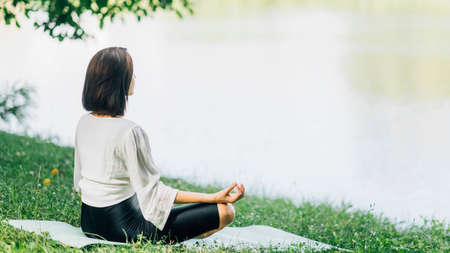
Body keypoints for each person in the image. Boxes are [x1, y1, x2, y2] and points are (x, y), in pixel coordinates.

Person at [74, 46, 245, 244]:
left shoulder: (83, 122)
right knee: (225, 211)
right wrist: (214, 197)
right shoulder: (130, 132)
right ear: (117, 82)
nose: (135, 77)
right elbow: (154, 194)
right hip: (123, 229)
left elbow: (80, 181)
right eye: (131, 73)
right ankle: (179, 238)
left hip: (89, 222)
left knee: (145, 204)